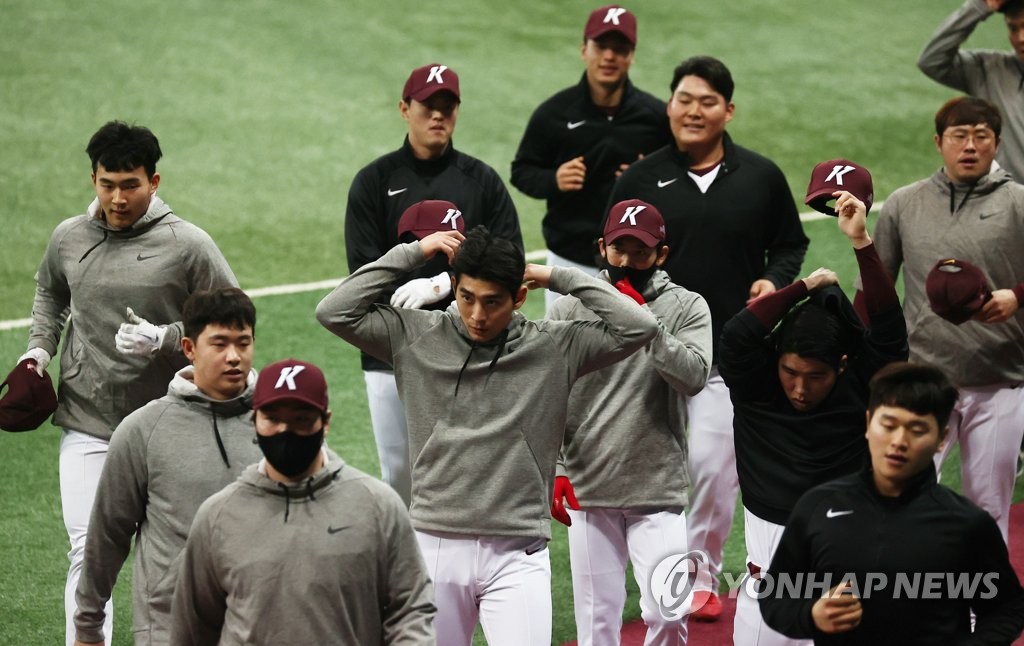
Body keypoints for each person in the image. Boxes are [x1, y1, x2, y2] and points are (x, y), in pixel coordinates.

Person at [315, 225, 659, 645]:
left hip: (518, 553)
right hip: (433, 546)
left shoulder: (554, 347)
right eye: (467, 298)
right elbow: (334, 311)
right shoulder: (414, 335)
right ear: (454, 287)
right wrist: (415, 252)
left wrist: (557, 275)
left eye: (493, 302)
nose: (477, 315)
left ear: (519, 297)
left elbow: (640, 326)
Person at [12, 120, 238, 645]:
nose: (118, 197)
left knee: (180, 557)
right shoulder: (69, 237)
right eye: (107, 183)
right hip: (88, 421)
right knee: (87, 551)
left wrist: (167, 338)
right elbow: (50, 292)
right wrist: (38, 349)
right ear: (93, 179)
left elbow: (231, 319)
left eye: (130, 185)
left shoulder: (189, 245)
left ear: (154, 182)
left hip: (171, 425)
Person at [609, 55, 810, 620]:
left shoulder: (761, 176)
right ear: (669, 104)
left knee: (711, 468)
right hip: (648, 355)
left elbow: (789, 243)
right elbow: (612, 255)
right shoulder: (640, 179)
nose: (694, 111)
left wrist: (774, 278)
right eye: (684, 99)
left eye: (707, 102)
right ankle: (649, 566)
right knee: (643, 469)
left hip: (725, 355)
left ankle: (698, 571)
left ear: (728, 110)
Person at [718, 182, 908, 646]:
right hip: (769, 594)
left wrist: (862, 243)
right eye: (791, 372)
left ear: (841, 366)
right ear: (777, 357)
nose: (799, 388)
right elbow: (739, 334)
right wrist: (804, 285)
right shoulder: (756, 383)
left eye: (815, 376)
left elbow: (887, 330)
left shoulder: (861, 382)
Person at [345, 62, 523, 507]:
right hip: (390, 350)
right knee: (401, 471)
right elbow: (365, 271)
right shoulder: (374, 182)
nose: (438, 115)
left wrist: (444, 283)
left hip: (468, 345)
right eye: (428, 106)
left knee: (468, 462)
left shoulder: (481, 181)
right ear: (405, 108)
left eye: (448, 107)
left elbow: (511, 257)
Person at [170, 358, 435, 644]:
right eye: (273, 418)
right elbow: (194, 627)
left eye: (301, 419)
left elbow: (410, 608)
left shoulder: (377, 505)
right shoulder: (219, 515)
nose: (286, 430)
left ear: (326, 422)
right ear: (253, 421)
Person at [759, 362, 1024, 644]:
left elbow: (1007, 608)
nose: (899, 441)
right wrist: (810, 615)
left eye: (917, 430)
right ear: (868, 423)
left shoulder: (967, 523)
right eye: (888, 425)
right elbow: (776, 595)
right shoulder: (817, 507)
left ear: (941, 438)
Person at [548, 199, 712, 646]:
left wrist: (645, 325)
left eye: (640, 252)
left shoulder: (687, 307)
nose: (627, 261)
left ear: (661, 254)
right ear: (602, 247)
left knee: (668, 610)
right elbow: (551, 394)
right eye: (619, 249)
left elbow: (694, 377)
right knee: (596, 620)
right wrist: (557, 469)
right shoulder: (568, 309)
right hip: (589, 485)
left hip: (655, 487)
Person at [867, 96, 1024, 542]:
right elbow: (875, 289)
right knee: (902, 496)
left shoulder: (1019, 203)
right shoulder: (904, 204)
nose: (969, 146)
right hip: (921, 380)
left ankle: (981, 609)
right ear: (939, 142)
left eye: (981, 136)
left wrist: (1017, 295)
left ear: (997, 143)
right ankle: (904, 604)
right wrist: (869, 361)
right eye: (959, 136)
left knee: (989, 506)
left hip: (999, 380)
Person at [73, 288, 261, 646]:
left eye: (244, 342)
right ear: (189, 348)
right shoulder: (142, 430)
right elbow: (107, 535)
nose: (234, 357)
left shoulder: (280, 420)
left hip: (263, 620)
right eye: (219, 344)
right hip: (170, 625)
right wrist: (88, 625)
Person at [511, 5, 673, 309]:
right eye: (601, 46)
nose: (609, 56)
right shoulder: (554, 114)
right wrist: (553, 179)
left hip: (635, 264)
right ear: (584, 49)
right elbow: (522, 171)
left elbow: (678, 175)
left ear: (632, 55)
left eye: (620, 48)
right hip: (569, 258)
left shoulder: (655, 117)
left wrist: (647, 177)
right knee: (566, 350)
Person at [918, 0, 1024, 181]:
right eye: (1013, 29)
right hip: (1011, 203)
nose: (1021, 38)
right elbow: (932, 61)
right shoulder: (990, 70)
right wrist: (980, 7)